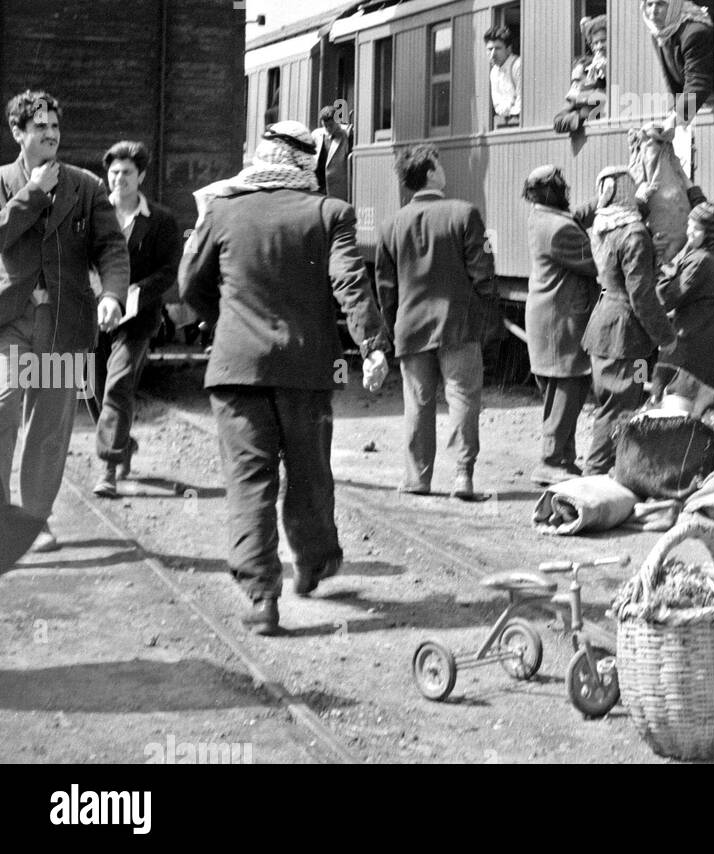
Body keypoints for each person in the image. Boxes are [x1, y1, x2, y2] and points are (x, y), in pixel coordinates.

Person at [179, 121, 390, 635]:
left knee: (249, 482)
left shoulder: (223, 209)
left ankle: (261, 597)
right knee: (310, 472)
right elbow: (349, 281)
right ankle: (314, 562)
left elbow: (190, 284)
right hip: (306, 370)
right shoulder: (329, 213)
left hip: (235, 370)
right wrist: (372, 344)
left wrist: (223, 320)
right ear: (306, 164)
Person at [0, 91, 128, 554]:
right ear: (18, 133)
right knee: (3, 408)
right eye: (40, 128)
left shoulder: (86, 186)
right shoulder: (3, 181)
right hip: (10, 322)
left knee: (49, 427)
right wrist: (33, 191)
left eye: (55, 127)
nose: (51, 134)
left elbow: (111, 247)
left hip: (62, 325)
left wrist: (112, 294)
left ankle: (35, 520)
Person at [375, 144, 496, 501]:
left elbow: (386, 288)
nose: (443, 170)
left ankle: (418, 478)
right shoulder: (464, 214)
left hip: (410, 326)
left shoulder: (390, 225)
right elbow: (484, 272)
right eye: (438, 164)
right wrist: (482, 310)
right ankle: (463, 477)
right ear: (429, 173)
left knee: (418, 401)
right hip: (458, 325)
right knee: (462, 397)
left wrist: (391, 324)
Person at [91, 141, 182, 499]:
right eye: (113, 172)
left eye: (127, 172)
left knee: (119, 383)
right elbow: (81, 260)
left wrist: (133, 294)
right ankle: (122, 443)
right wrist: (103, 296)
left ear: (141, 175)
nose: (119, 179)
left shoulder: (161, 220)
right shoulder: (94, 214)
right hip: (96, 314)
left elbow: (168, 271)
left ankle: (109, 468)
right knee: (97, 390)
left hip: (138, 318)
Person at [580, 166, 677, 478]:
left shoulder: (603, 226)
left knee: (621, 403)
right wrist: (666, 336)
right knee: (618, 408)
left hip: (607, 328)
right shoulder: (634, 233)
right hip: (625, 336)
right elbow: (642, 296)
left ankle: (607, 476)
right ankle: (592, 481)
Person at [522, 165, 598, 485]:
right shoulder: (559, 229)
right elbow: (597, 262)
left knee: (558, 394)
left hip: (549, 320)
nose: (567, 190)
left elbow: (574, 217)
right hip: (561, 322)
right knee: (570, 386)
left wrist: (603, 201)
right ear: (553, 192)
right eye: (562, 186)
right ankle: (552, 460)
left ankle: (563, 460)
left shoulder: (541, 218)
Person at [655, 200, 714, 390]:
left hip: (688, 343)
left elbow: (667, 297)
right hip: (705, 341)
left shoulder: (699, 261)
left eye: (696, 229)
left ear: (709, 233)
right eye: (688, 225)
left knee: (667, 390)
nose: (689, 232)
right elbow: (710, 218)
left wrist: (660, 266)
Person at [638, 0, 714, 127]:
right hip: (694, 110)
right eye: (649, 4)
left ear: (673, 3)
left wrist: (676, 119)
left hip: (710, 105)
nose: (652, 12)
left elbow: (698, 82)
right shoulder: (660, 34)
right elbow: (675, 86)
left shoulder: (694, 33)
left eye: (660, 4)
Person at [552, 14, 607, 134]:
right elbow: (558, 121)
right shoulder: (584, 71)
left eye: (603, 41)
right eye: (595, 43)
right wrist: (582, 114)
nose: (600, 47)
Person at [310, 102, 353, 201]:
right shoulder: (316, 135)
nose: (328, 128)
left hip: (337, 188)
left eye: (331, 125)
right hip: (319, 186)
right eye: (325, 126)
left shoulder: (345, 134)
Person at [484, 24, 522, 126]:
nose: (492, 54)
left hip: (518, 121)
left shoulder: (518, 65)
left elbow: (521, 102)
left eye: (497, 48)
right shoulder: (494, 72)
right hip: (503, 122)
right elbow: (498, 105)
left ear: (508, 49)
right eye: (489, 49)